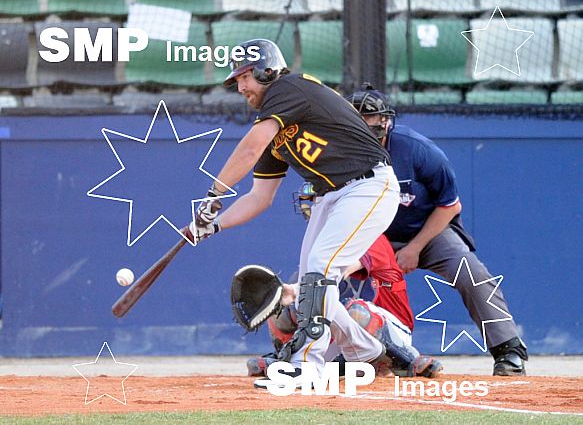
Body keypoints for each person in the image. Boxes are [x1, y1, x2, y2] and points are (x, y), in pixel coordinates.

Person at [190, 39, 403, 385]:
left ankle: (308, 363)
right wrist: (212, 226)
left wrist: (214, 193)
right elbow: (259, 197)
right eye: (238, 79)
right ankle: (367, 350)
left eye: (246, 76)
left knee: (321, 268)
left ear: (267, 70)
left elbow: (249, 146)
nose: (241, 86)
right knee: (312, 284)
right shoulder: (275, 128)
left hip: (368, 185)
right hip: (331, 196)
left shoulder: (287, 87)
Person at [345, 84, 528, 376]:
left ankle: (508, 350)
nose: (361, 125)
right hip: (371, 235)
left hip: (426, 230)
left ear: (386, 121)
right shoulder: (337, 152)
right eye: (353, 118)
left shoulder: (416, 149)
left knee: (471, 271)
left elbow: (450, 206)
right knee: (330, 271)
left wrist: (414, 248)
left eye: (368, 117)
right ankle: (306, 349)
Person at [246, 183, 443, 378]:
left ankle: (404, 359)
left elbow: (336, 270)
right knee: (289, 309)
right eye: (313, 202)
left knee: (355, 310)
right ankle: (290, 359)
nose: (316, 206)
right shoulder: (317, 244)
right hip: (346, 336)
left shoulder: (370, 235)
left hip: (389, 331)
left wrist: (297, 289)